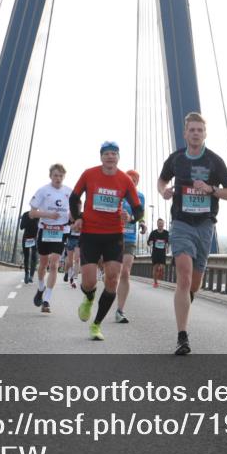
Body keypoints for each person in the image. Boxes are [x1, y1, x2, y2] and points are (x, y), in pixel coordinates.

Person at [158, 112, 227, 355]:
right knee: (183, 275)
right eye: (191, 130)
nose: (195, 133)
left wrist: (212, 189)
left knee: (194, 283)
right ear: (185, 133)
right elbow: (161, 181)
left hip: (205, 225)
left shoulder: (215, 161)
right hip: (181, 222)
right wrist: (164, 191)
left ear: (205, 134)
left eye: (199, 130)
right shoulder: (176, 159)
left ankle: (185, 305)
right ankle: (183, 336)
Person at [70, 142, 143, 341]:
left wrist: (131, 218)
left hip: (114, 235)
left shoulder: (125, 180)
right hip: (91, 233)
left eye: (114, 154)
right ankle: (89, 297)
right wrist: (77, 217)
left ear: (118, 157)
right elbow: (74, 197)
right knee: (89, 281)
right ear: (101, 157)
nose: (110, 157)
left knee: (112, 279)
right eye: (107, 154)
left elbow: (138, 209)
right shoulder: (89, 174)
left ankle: (96, 324)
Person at [28, 164, 71, 314]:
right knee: (43, 263)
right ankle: (41, 288)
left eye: (60, 176)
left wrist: (74, 217)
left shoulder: (69, 192)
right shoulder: (43, 191)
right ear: (50, 176)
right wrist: (48, 215)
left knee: (54, 264)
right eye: (55, 175)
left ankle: (47, 299)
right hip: (45, 230)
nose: (58, 178)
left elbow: (74, 212)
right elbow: (32, 214)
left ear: (64, 177)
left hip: (61, 231)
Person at [116, 169, 147, 323]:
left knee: (125, 273)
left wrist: (141, 223)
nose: (132, 182)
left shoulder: (140, 197)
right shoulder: (117, 193)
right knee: (113, 273)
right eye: (129, 179)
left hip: (129, 237)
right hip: (113, 236)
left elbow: (140, 214)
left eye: (134, 181)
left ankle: (120, 310)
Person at [146, 218, 169, 287]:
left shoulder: (166, 233)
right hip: (155, 253)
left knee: (162, 268)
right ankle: (155, 282)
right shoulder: (153, 233)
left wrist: (167, 244)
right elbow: (148, 242)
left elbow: (169, 241)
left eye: (161, 223)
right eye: (159, 223)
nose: (160, 225)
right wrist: (150, 242)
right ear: (157, 224)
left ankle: (160, 271)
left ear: (163, 224)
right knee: (155, 267)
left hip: (162, 253)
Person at [19, 210, 39, 284]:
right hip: (27, 238)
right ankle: (27, 274)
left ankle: (31, 276)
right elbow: (21, 227)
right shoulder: (25, 214)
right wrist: (27, 219)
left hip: (34, 239)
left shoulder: (38, 215)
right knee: (27, 257)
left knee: (33, 257)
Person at [63, 221, 81, 287]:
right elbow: (65, 228)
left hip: (79, 240)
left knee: (77, 260)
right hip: (70, 240)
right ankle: (68, 274)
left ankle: (75, 279)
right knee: (69, 261)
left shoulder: (82, 217)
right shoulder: (69, 218)